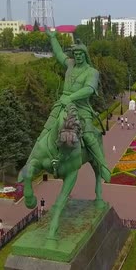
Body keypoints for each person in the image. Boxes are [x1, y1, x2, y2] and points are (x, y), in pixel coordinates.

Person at [38, 30, 111, 181]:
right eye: (75, 54)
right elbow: (59, 54)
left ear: (85, 55)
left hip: (82, 108)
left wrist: (70, 97)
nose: (77, 56)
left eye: (80, 54)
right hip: (61, 105)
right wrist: (53, 38)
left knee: (89, 136)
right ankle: (37, 158)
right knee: (45, 130)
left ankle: (103, 166)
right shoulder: (70, 64)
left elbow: (89, 89)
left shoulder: (92, 72)